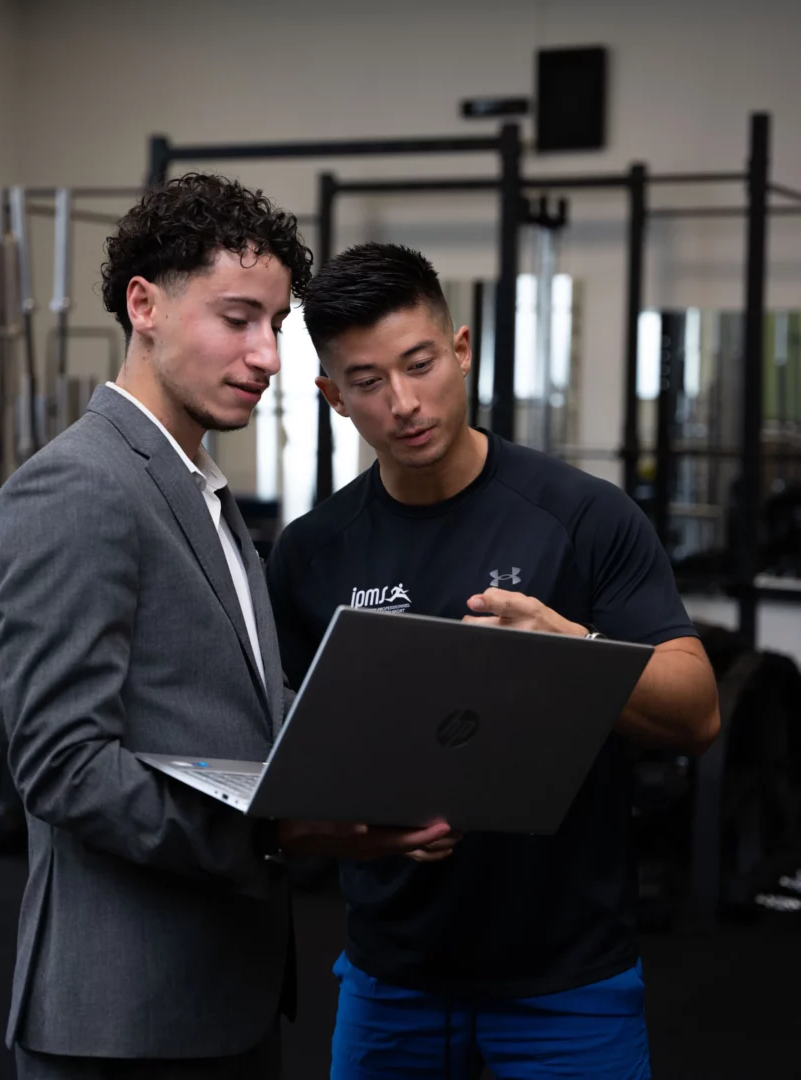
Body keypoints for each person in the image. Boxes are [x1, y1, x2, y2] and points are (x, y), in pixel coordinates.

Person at [0, 184, 451, 1080]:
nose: (268, 355)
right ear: (144, 305)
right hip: (121, 1018)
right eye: (240, 319)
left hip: (221, 996)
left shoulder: (196, 486)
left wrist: (377, 768)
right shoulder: (77, 487)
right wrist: (283, 834)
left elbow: (228, 705)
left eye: (276, 324)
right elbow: (64, 766)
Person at [266, 243, 721, 1080]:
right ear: (332, 397)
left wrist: (575, 650)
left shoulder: (585, 518)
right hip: (387, 978)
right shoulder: (309, 554)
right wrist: (347, 824)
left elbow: (696, 714)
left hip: (567, 980)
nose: (404, 402)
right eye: (367, 382)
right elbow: (284, 772)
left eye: (421, 363)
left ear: (462, 349)